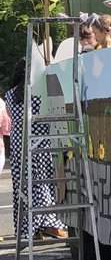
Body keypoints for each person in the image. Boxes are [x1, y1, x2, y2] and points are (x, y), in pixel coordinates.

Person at [4, 59, 68, 241]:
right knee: (44, 181)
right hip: (39, 140)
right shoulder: (39, 92)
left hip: (19, 142)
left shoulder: (10, 94)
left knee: (23, 184)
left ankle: (30, 227)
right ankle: (49, 223)